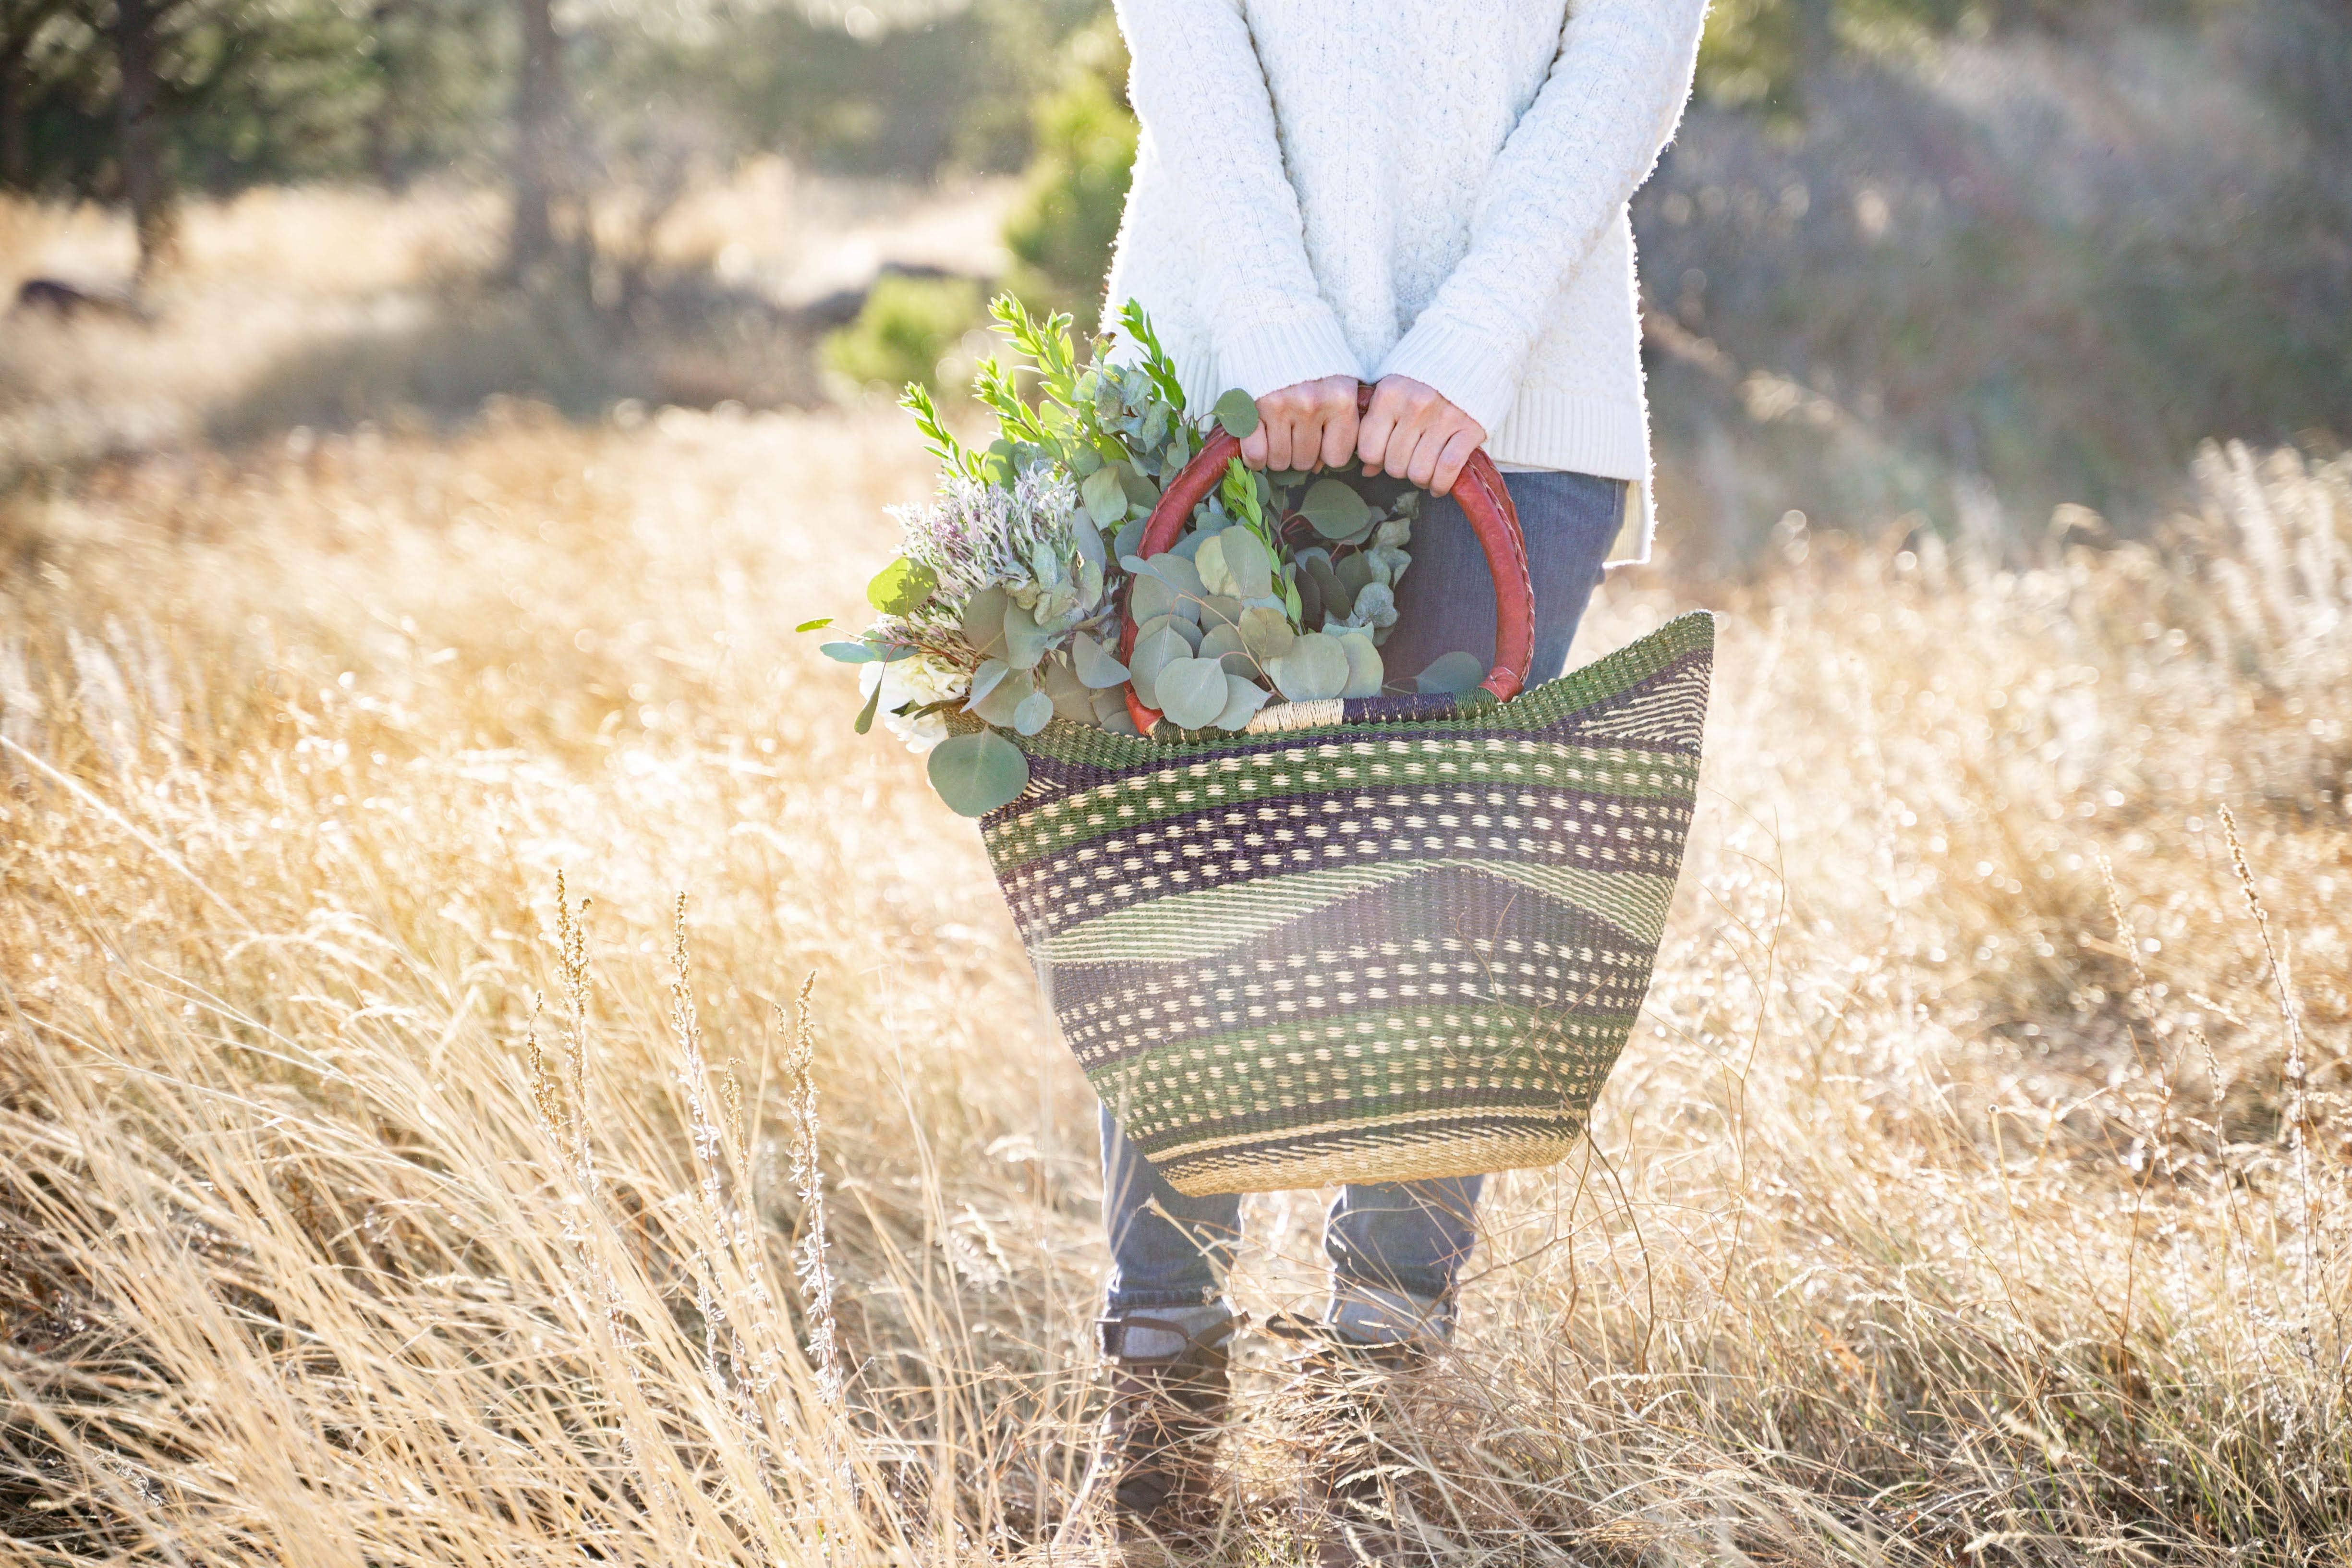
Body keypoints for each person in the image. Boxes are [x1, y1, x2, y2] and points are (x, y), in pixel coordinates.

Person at [1080, 0, 1709, 1559]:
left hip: (1516, 392)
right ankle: (1159, 1393)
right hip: (1216, 360)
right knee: (1184, 879)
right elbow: (1191, 57)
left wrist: (1463, 351)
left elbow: (1620, 70)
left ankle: (1383, 1404)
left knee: (1444, 892)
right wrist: (1280, 327)